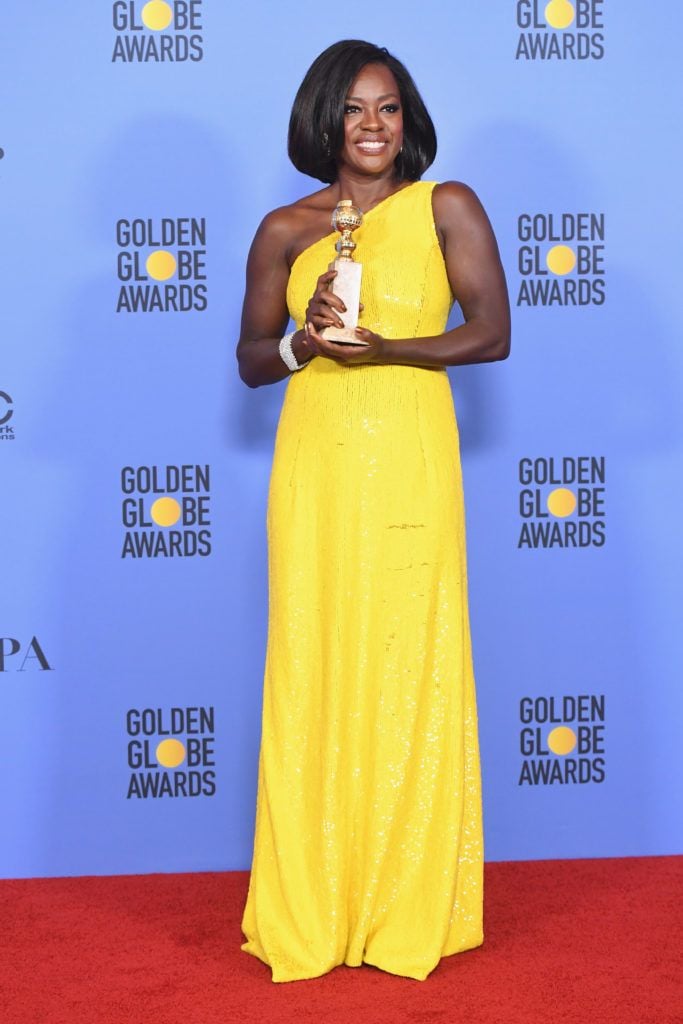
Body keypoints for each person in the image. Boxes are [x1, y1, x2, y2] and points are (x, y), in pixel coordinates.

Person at [237, 39, 510, 983]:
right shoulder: (283, 229)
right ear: (322, 119)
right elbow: (249, 360)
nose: (371, 126)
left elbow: (491, 333)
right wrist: (304, 346)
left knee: (408, 654)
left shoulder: (446, 206)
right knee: (315, 657)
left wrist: (387, 348)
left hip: (407, 451)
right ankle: (314, 900)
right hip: (315, 460)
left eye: (388, 108)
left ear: (408, 119)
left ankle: (403, 905)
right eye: (354, 109)